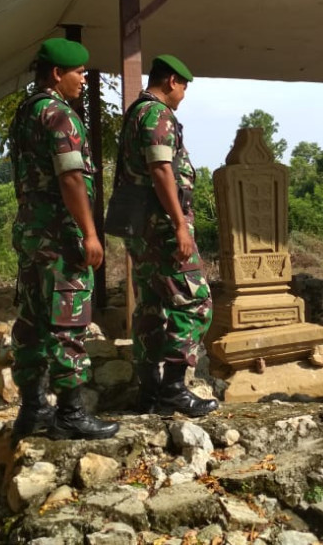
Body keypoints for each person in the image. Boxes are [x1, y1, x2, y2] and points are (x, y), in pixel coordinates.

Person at [8, 38, 119, 443]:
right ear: (57, 73)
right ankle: (70, 413)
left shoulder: (25, 112)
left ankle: (33, 409)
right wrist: (90, 233)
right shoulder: (59, 115)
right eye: (79, 72)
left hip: (33, 235)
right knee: (67, 321)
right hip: (61, 237)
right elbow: (71, 176)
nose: (84, 79)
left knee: (34, 322)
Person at [117, 54, 218, 417]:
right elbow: (161, 169)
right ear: (172, 81)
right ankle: (173, 389)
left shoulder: (135, 113)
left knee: (151, 307)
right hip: (162, 230)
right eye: (184, 87)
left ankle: (150, 392)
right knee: (196, 301)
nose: (184, 96)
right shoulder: (156, 114)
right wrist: (179, 224)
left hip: (142, 230)